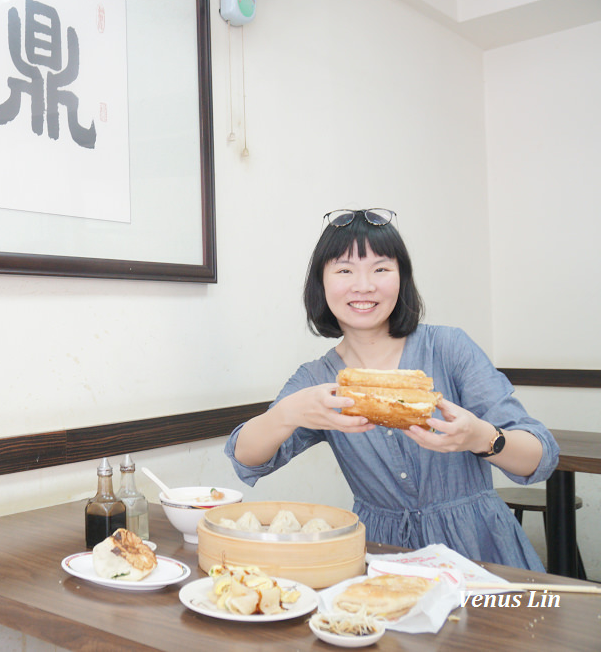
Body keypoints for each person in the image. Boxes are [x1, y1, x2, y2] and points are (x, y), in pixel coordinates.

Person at [225, 208, 558, 571]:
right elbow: (245, 456)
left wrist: (480, 436)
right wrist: (289, 413)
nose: (364, 286)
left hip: (482, 551)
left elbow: (540, 458)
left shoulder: (449, 348)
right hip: (384, 557)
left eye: (381, 269)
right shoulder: (317, 379)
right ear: (322, 283)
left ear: (402, 279)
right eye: (344, 270)